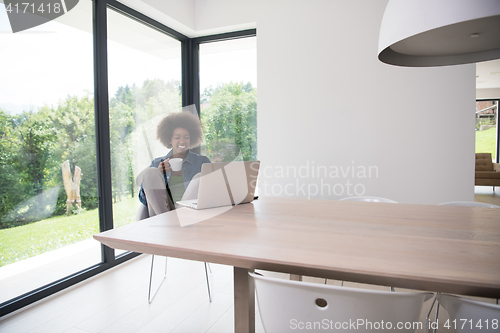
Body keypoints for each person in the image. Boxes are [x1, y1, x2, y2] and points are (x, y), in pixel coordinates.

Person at [138, 112, 210, 217]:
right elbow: (143, 199)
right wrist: (159, 173)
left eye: (186, 137)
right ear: (169, 139)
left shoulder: (202, 161)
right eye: (177, 137)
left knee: (200, 177)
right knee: (151, 172)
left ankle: (175, 221)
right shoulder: (157, 163)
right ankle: (170, 221)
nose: (182, 141)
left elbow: (213, 194)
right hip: (161, 215)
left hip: (189, 214)